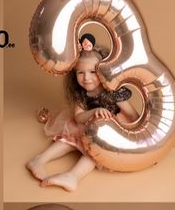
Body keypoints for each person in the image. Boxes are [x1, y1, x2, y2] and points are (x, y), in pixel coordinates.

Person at [26, 33, 138, 191]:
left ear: (104, 72)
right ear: (74, 75)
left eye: (93, 72)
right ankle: (39, 159)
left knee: (95, 152)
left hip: (109, 130)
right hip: (85, 125)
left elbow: (132, 115)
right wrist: (94, 112)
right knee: (68, 138)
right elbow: (78, 118)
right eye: (80, 73)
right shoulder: (81, 93)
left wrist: (136, 138)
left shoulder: (113, 91)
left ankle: (72, 176)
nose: (86, 78)